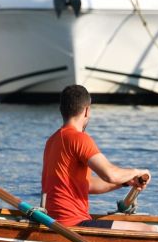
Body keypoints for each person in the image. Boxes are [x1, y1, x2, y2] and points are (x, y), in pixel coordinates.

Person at [41, 84, 149, 226]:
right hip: (73, 223)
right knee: (149, 230)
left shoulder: (52, 141)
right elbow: (110, 174)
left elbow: (89, 185)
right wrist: (138, 172)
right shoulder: (79, 139)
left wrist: (126, 182)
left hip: (54, 222)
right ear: (87, 111)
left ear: (62, 110)